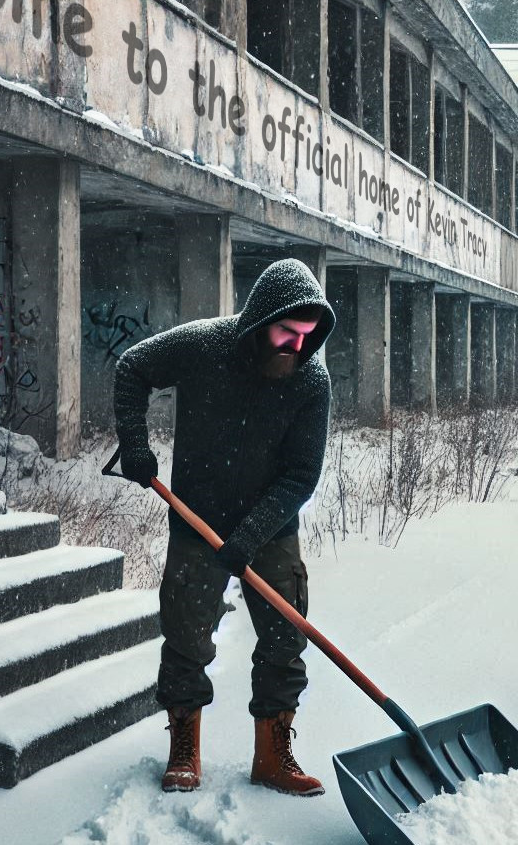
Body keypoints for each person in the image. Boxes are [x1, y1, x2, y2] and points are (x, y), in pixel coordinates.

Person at [112, 258, 336, 796]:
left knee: (286, 636)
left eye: (306, 337)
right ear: (261, 320)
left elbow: (301, 475)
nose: (296, 346)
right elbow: (131, 368)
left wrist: (250, 536)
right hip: (197, 520)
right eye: (287, 332)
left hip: (272, 528)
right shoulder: (203, 346)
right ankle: (184, 749)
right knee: (187, 635)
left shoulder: (311, 380)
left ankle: (272, 755)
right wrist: (136, 446)